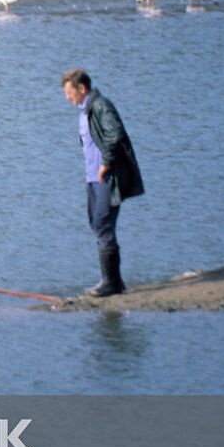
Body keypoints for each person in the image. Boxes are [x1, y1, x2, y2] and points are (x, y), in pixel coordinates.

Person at [60, 68, 144, 297]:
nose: (67, 97)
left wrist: (106, 163)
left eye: (69, 92)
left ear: (82, 88)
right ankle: (115, 282)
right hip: (92, 178)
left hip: (107, 178)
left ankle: (110, 283)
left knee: (102, 225)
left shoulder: (100, 106)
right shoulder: (84, 110)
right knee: (97, 223)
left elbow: (115, 134)